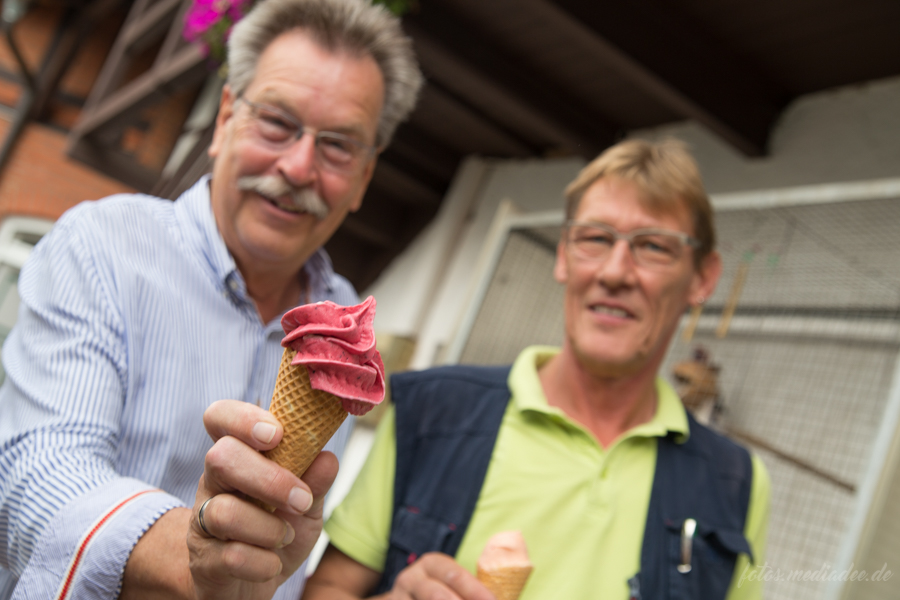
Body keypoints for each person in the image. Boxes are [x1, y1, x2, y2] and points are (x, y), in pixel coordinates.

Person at [0, 0, 422, 598]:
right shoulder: (102, 245)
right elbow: (33, 476)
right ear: (226, 118)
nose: (299, 165)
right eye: (277, 121)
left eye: (337, 146)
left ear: (363, 179)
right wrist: (192, 555)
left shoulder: (344, 320)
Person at [299, 139, 771, 599]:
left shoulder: (737, 482)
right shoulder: (431, 412)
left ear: (703, 277)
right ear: (564, 255)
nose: (614, 271)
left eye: (653, 247)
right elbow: (329, 588)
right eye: (595, 238)